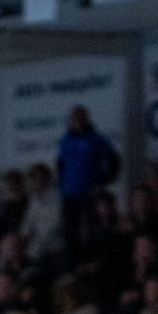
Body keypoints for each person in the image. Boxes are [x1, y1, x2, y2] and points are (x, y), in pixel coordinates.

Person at [57, 105, 120, 257]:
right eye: (74, 119)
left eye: (80, 118)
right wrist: (62, 183)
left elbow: (114, 159)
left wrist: (104, 180)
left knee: (92, 229)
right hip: (69, 193)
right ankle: (73, 262)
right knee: (70, 230)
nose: (76, 122)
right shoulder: (65, 140)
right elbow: (61, 163)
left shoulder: (96, 139)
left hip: (89, 193)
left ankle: (93, 259)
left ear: (86, 119)